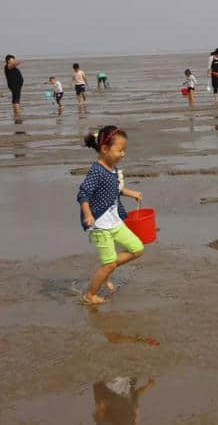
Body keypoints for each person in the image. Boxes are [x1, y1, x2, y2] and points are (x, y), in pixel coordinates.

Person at [77, 125, 144, 305]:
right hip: (100, 226)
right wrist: (88, 215)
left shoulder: (112, 168)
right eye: (120, 150)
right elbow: (83, 194)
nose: (123, 154)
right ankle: (90, 295)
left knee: (137, 248)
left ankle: (107, 270)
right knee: (109, 263)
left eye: (124, 150)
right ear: (105, 149)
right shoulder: (96, 171)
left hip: (115, 222)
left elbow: (115, 190)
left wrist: (132, 194)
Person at [4, 54, 23, 123]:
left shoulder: (11, 66)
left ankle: (16, 114)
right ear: (8, 60)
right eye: (13, 59)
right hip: (14, 85)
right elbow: (11, 66)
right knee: (16, 100)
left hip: (16, 86)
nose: (14, 60)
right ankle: (18, 114)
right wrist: (15, 64)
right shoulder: (7, 66)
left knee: (15, 100)